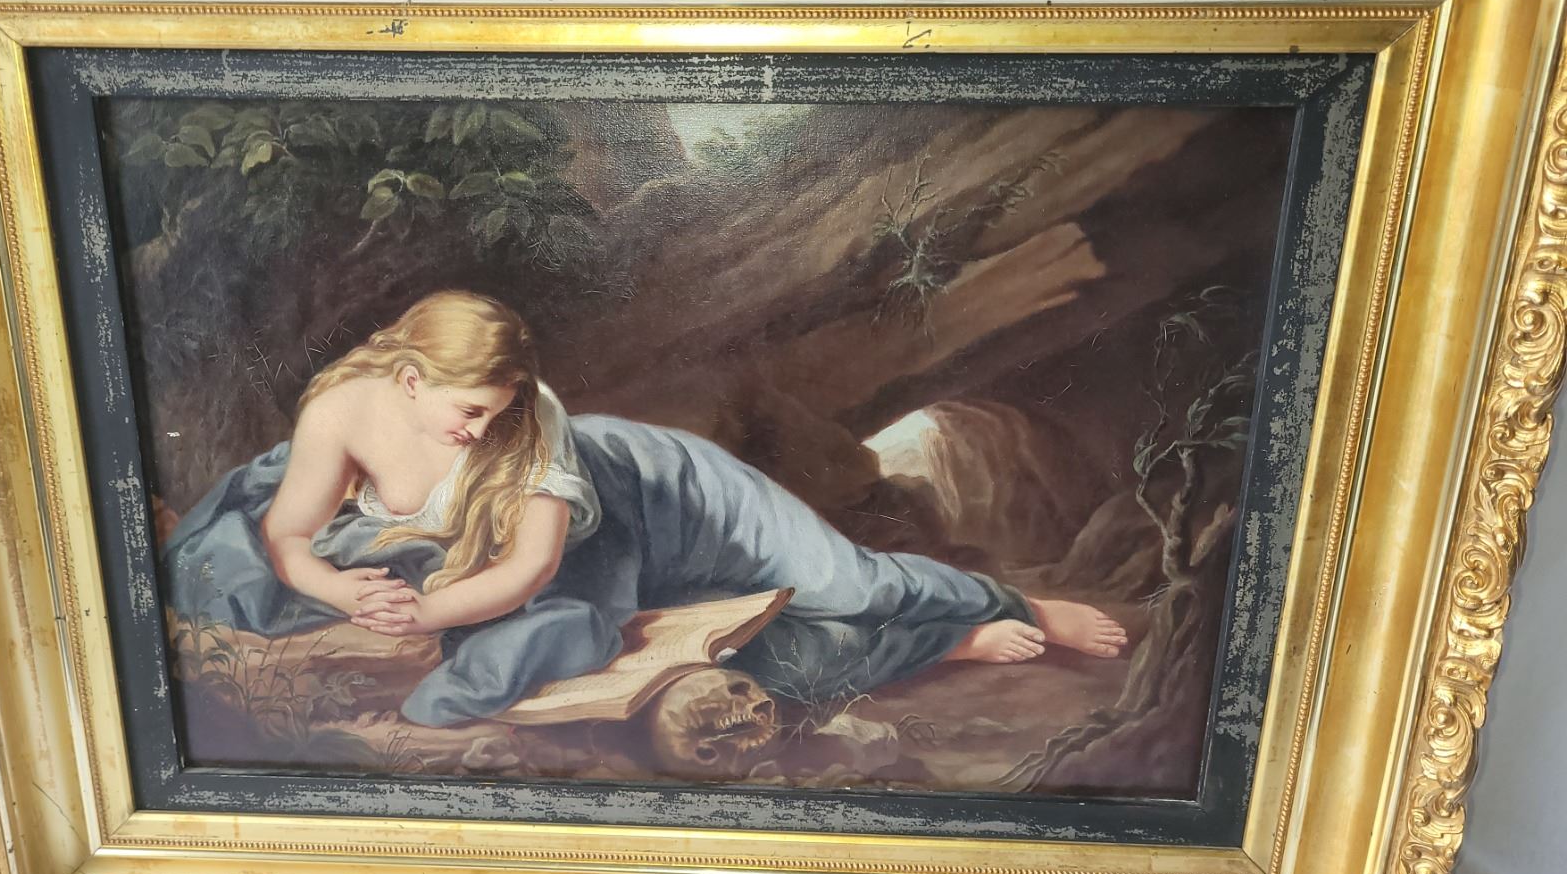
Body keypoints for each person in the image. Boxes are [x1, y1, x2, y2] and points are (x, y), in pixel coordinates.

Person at [162, 290, 1127, 726]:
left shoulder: (532, 426)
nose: (482, 431)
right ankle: (949, 644)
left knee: (852, 585)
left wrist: (421, 615)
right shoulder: (344, 408)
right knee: (761, 651)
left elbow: (532, 569)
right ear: (410, 381)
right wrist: (340, 593)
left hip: (671, 503)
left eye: (497, 412)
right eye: (468, 412)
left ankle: (1019, 607)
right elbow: (287, 535)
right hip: (576, 565)